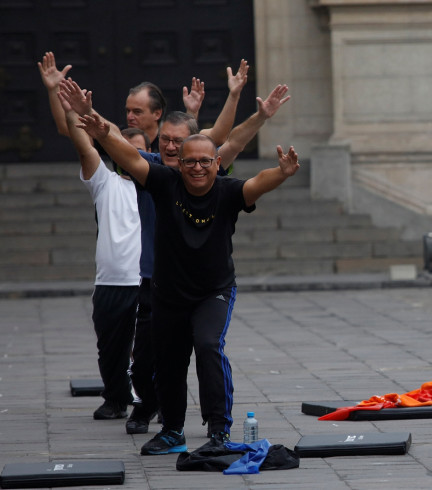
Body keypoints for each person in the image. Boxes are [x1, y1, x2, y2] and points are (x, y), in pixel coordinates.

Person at [73, 106, 299, 456]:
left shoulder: (227, 191)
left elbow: (257, 184)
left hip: (214, 292)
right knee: (169, 360)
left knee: (208, 346)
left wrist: (282, 174)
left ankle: (219, 430)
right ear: (178, 162)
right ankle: (172, 431)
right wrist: (102, 131)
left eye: (204, 162)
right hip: (168, 294)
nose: (196, 168)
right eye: (189, 161)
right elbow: (130, 159)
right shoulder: (164, 183)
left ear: (216, 163)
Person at [57, 90, 147, 421]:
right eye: (126, 147)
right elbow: (84, 146)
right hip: (110, 282)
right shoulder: (105, 183)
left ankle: (151, 398)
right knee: (110, 348)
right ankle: (115, 398)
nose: (132, 154)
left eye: (140, 149)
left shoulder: (160, 185)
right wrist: (70, 111)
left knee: (149, 348)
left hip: (146, 280)